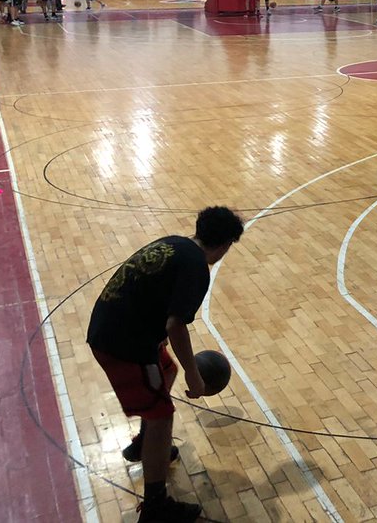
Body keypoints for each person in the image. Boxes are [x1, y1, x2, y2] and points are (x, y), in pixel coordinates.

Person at [87, 206, 244, 523]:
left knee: (166, 370)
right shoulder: (197, 269)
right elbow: (175, 325)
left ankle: (144, 446)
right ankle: (156, 508)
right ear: (226, 244)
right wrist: (195, 375)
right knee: (162, 416)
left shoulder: (176, 243)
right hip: (123, 344)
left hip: (114, 323)